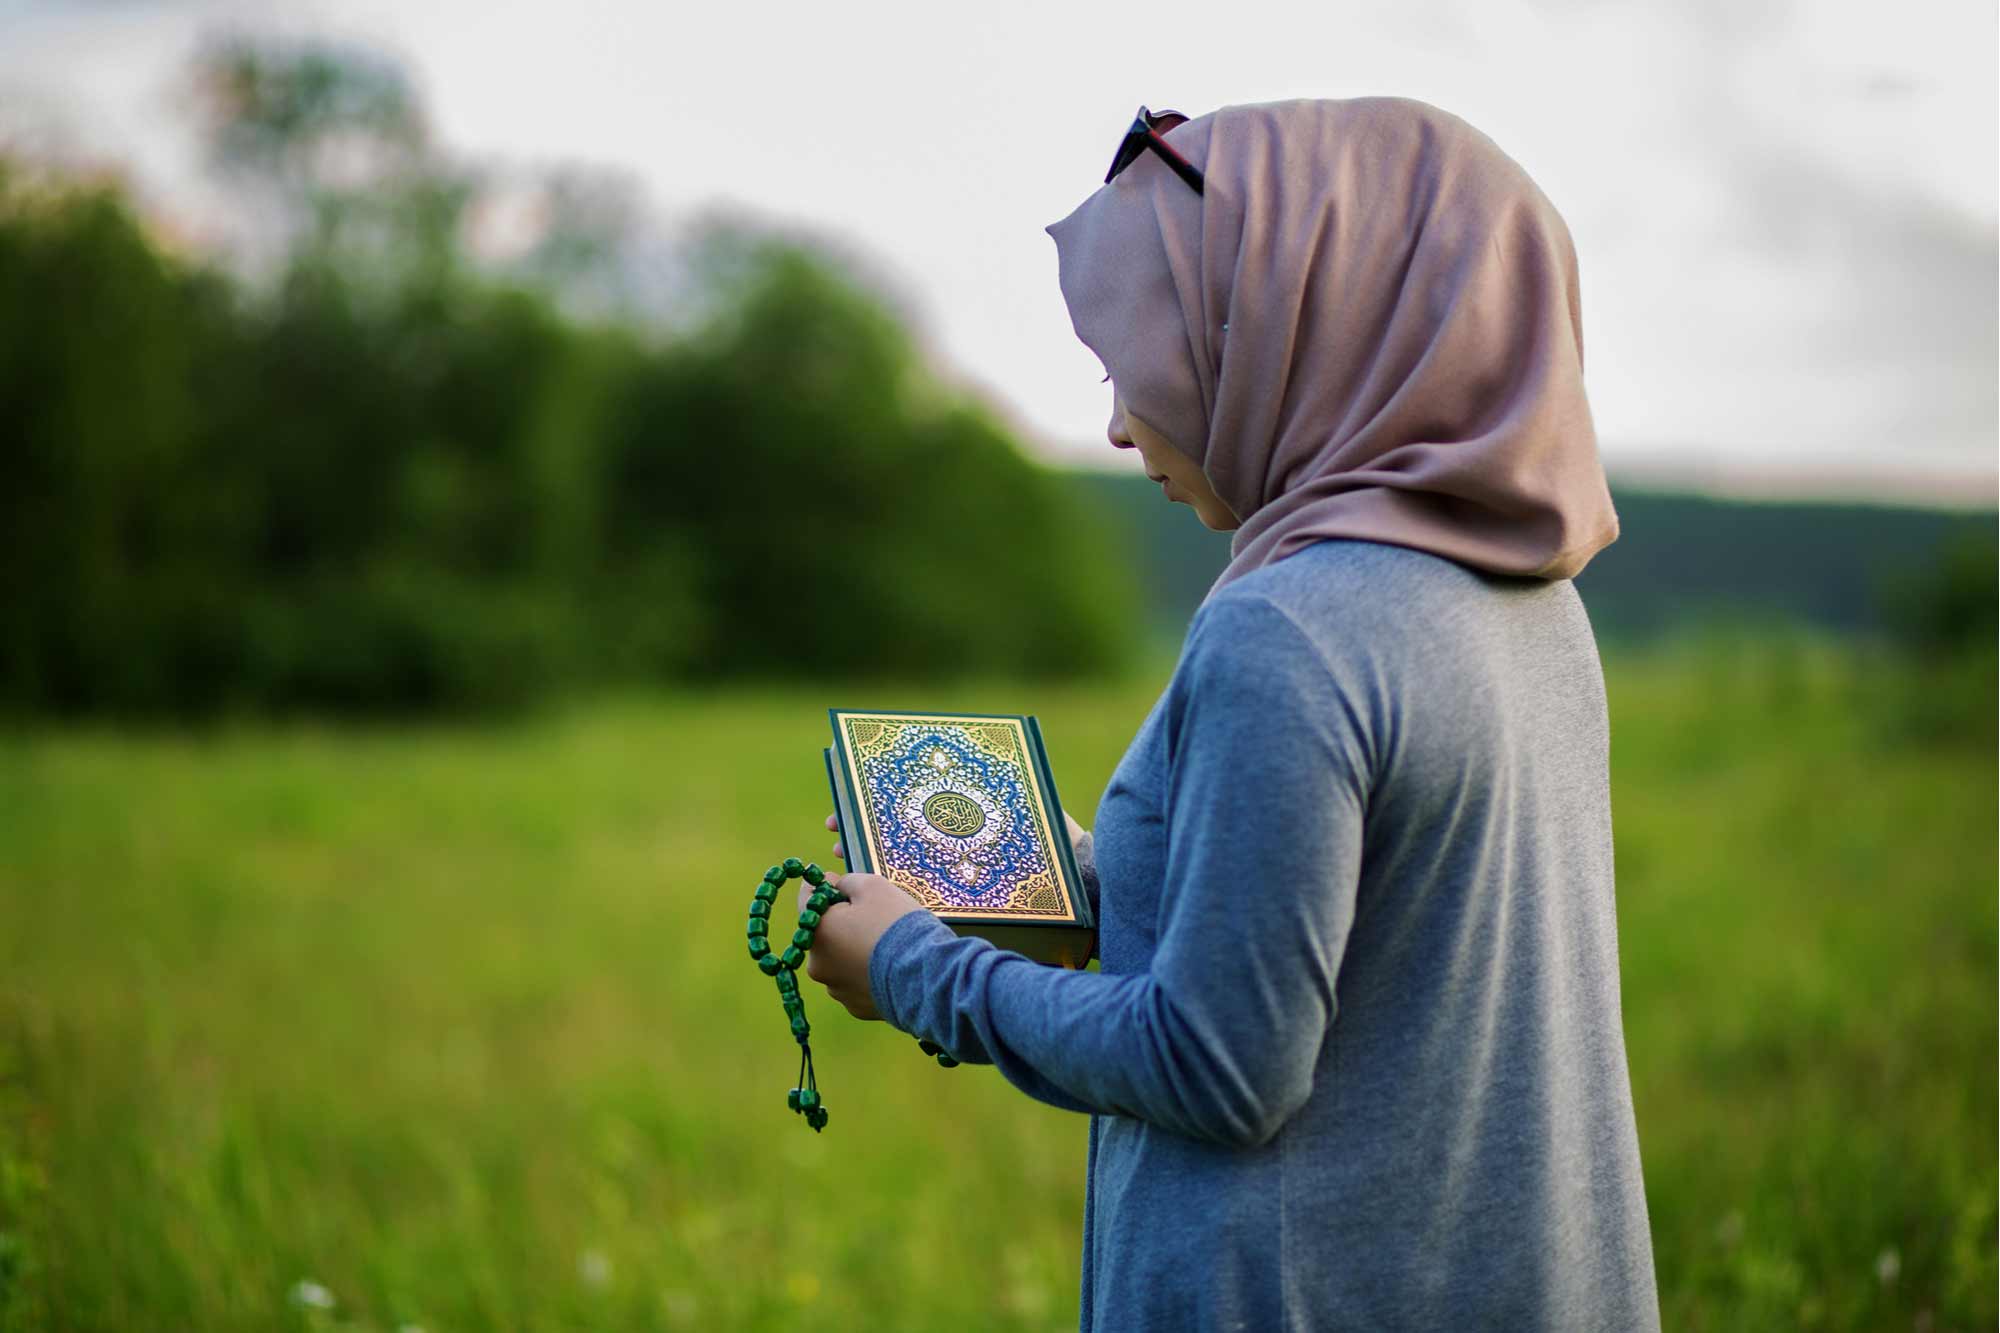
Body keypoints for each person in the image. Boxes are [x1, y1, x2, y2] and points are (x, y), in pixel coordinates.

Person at [798, 96, 1661, 1330]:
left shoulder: (1288, 629)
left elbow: (1217, 1061)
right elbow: (1340, 934)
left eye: (1140, 360)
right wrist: (1043, 877)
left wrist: (912, 967)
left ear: (1285, 327)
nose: (1114, 421)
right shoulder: (1529, 602)